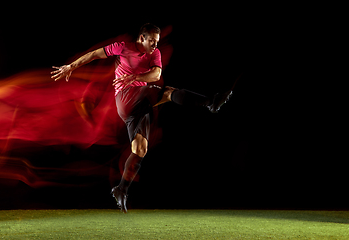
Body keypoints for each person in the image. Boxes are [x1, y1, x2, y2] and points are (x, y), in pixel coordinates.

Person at [51, 23, 233, 213]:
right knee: (169, 92)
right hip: (126, 97)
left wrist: (136, 75)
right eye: (152, 41)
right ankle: (210, 102)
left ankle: (121, 189)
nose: (155, 45)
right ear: (142, 38)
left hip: (140, 104)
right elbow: (95, 54)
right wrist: (71, 66)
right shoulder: (123, 47)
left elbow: (156, 74)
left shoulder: (154, 54)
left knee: (140, 149)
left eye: (157, 41)